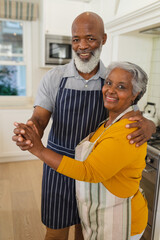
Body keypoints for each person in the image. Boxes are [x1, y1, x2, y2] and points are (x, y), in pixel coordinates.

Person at [12, 12, 154, 240]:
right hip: (56, 166)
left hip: (96, 173)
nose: (82, 46)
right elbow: (39, 119)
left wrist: (151, 124)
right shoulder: (55, 78)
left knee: (87, 232)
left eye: (90, 38)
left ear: (104, 39)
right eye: (76, 39)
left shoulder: (111, 79)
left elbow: (133, 113)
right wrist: (30, 134)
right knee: (55, 232)